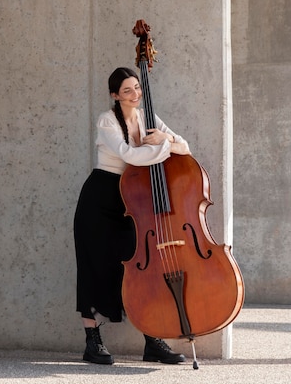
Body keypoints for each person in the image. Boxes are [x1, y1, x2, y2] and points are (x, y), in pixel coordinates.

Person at [73, 67, 192, 365]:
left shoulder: (148, 119)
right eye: (127, 90)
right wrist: (166, 146)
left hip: (134, 201)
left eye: (137, 88)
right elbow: (129, 155)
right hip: (101, 199)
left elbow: (185, 148)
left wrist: (165, 138)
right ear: (115, 95)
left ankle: (152, 342)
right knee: (95, 268)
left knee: (141, 272)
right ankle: (92, 343)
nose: (135, 94)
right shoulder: (107, 120)